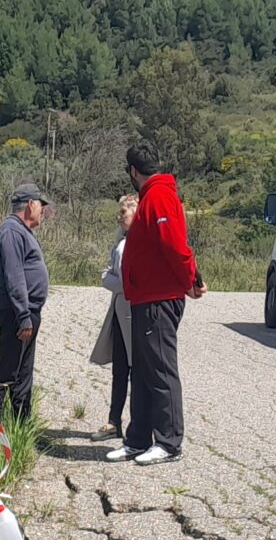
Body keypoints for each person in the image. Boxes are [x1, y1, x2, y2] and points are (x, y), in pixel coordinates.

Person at [111, 143, 205, 465]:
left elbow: (175, 246)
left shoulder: (160, 196)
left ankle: (169, 442)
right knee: (143, 372)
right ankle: (138, 438)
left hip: (159, 301)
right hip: (144, 298)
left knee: (161, 371)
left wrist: (190, 280)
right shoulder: (152, 196)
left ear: (134, 171)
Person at [0, 183, 51, 424]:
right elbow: (15, 276)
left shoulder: (22, 231)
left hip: (28, 312)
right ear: (30, 204)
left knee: (23, 372)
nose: (43, 210)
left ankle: (21, 424)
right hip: (17, 313)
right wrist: (23, 315)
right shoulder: (11, 231)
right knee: (8, 368)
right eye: (41, 205)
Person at [88, 193, 137, 437]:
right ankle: (113, 421)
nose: (119, 217)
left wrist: (115, 283)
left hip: (132, 313)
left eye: (123, 212)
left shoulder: (137, 243)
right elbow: (107, 274)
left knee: (135, 369)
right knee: (120, 368)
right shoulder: (120, 241)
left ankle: (137, 425)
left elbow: (128, 282)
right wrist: (115, 282)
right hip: (119, 312)